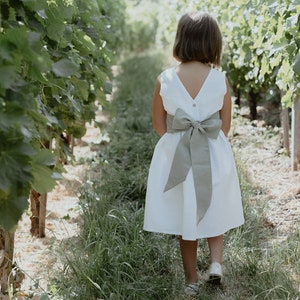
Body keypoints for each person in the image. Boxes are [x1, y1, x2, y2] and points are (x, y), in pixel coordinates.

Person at [143, 11, 244, 296]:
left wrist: (181, 140)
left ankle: (190, 279)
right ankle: (215, 262)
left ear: (181, 40)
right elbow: (223, 127)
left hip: (179, 155)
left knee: (185, 215)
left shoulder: (165, 79)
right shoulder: (220, 79)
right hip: (213, 154)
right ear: (214, 43)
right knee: (215, 208)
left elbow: (159, 125)